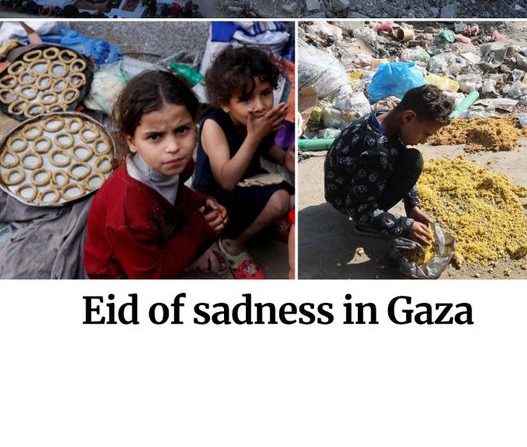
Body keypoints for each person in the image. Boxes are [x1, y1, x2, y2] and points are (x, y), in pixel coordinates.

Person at [84, 70, 228, 279]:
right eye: (154, 136)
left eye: (182, 130)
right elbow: (150, 277)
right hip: (121, 274)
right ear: (131, 141)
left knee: (209, 220)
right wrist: (197, 230)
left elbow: (174, 194)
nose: (173, 147)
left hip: (154, 237)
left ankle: (184, 256)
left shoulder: (177, 164)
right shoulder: (129, 213)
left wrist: (198, 201)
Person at [192, 44, 295, 279]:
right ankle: (232, 244)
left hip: (249, 181)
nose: (259, 105)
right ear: (226, 103)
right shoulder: (213, 125)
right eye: (246, 99)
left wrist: (286, 157)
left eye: (266, 93)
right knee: (279, 200)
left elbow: (269, 150)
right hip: (216, 200)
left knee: (292, 198)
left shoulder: (259, 118)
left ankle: (262, 222)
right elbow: (225, 180)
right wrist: (254, 136)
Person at [324, 85, 455, 243]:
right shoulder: (379, 152)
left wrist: (412, 205)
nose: (423, 141)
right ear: (408, 117)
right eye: (426, 133)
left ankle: (375, 213)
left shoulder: (382, 117)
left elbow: (397, 155)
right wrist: (404, 226)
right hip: (346, 201)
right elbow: (358, 209)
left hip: (345, 184)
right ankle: (366, 225)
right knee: (414, 161)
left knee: (410, 159)